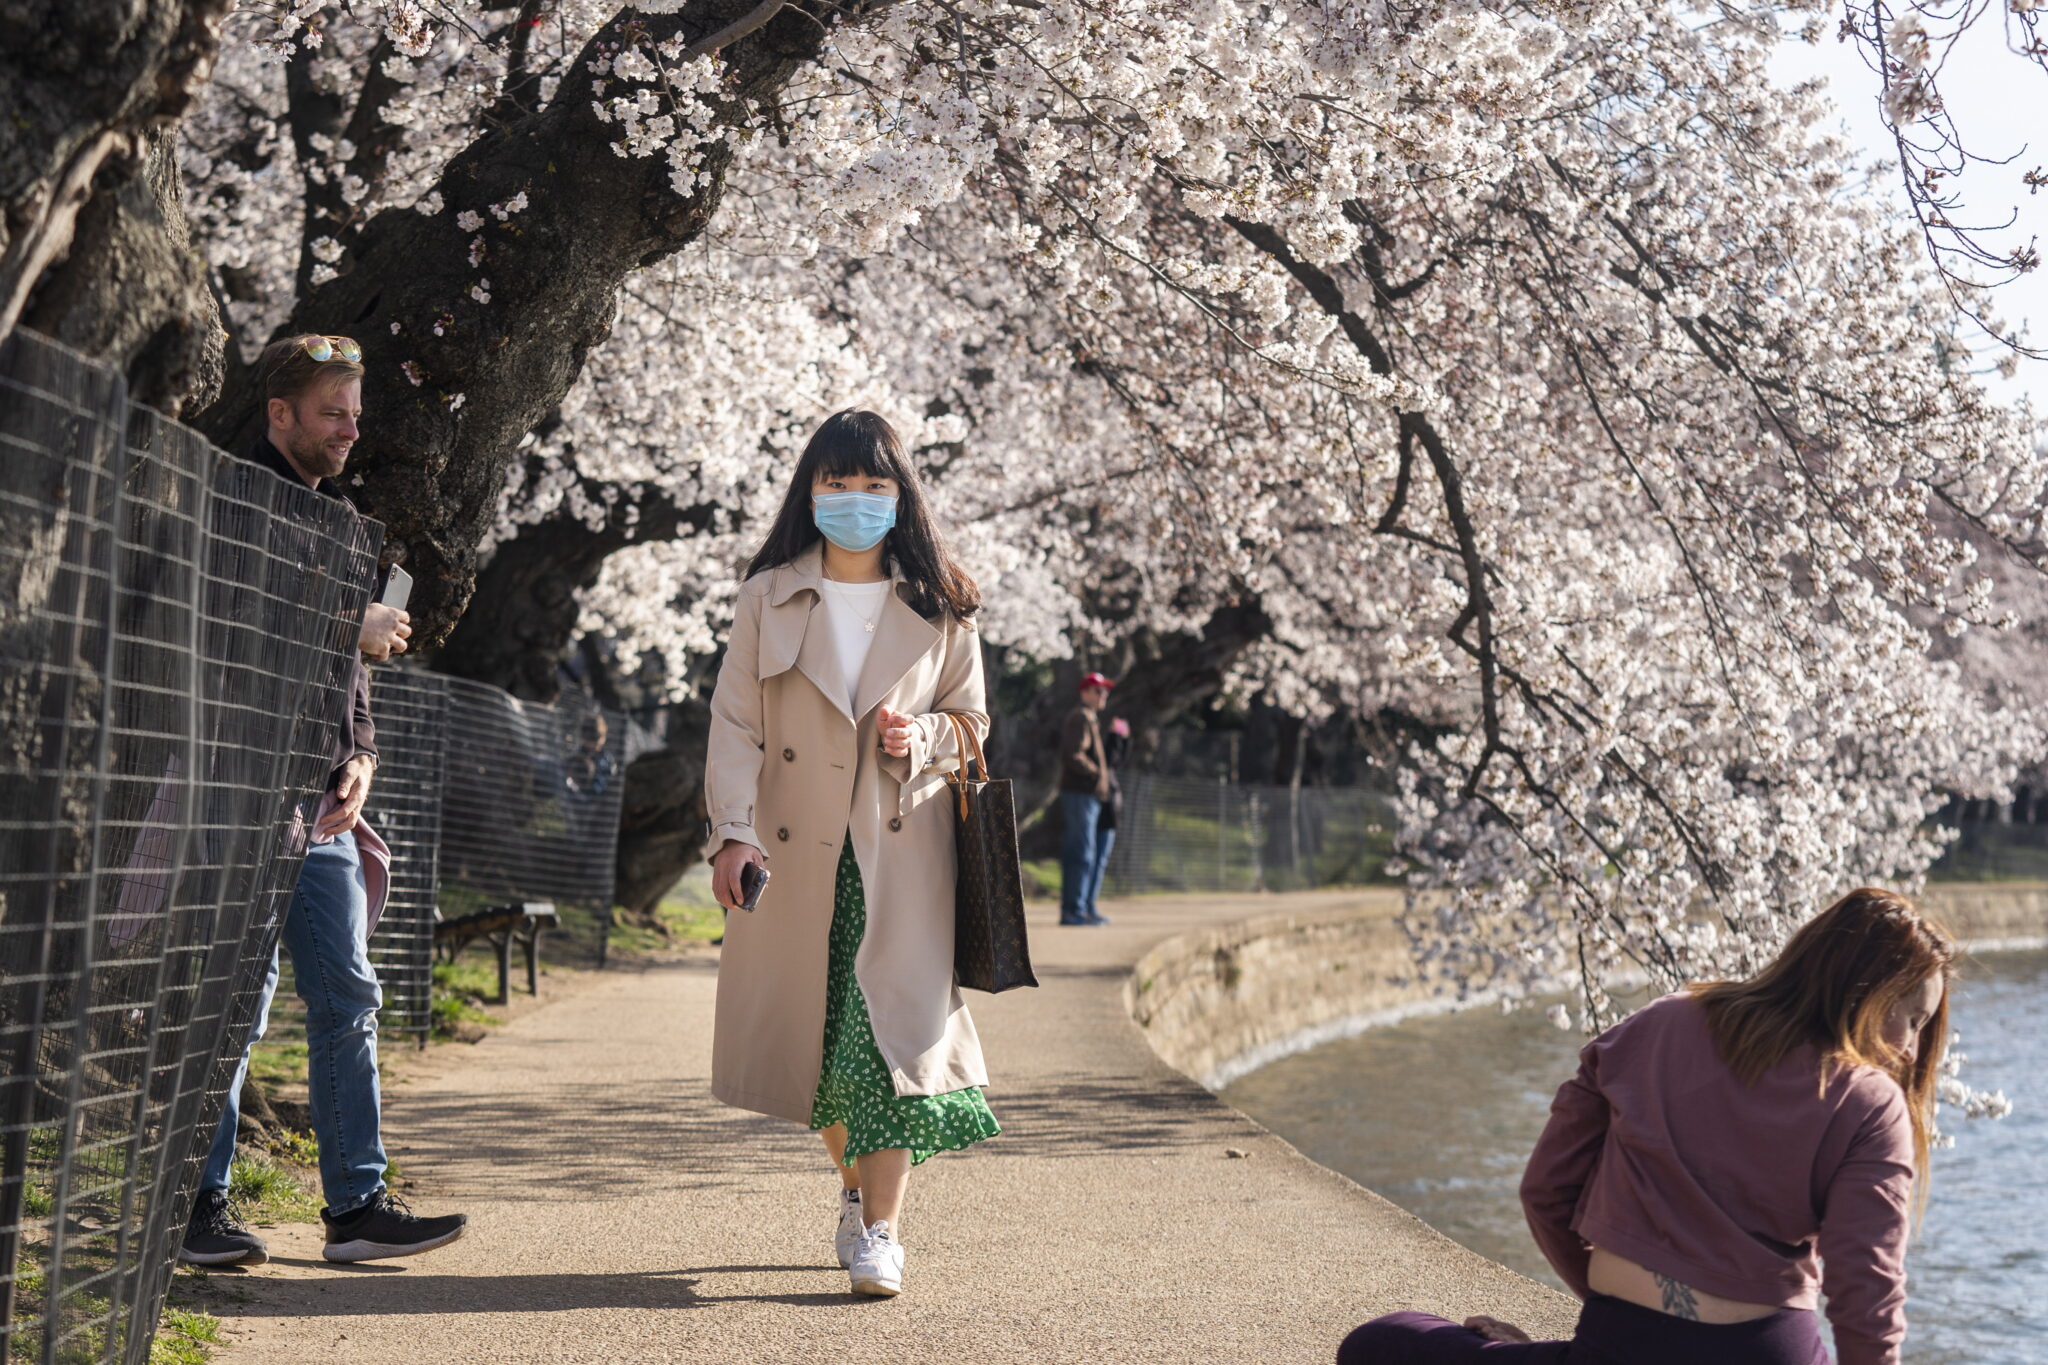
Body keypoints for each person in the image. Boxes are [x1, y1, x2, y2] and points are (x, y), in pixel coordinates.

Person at [1336, 887, 1953, 1365]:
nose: (1913, 1048)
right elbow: (1864, 1295)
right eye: (1912, 1019)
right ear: (1863, 996)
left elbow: (1546, 1190)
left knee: (1382, 1341)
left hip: (1619, 1346)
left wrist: (1616, 1308)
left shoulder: (1661, 1023)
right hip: (1766, 1354)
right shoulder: (1870, 1103)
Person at [179, 335, 468, 1268]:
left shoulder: (344, 523)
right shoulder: (231, 501)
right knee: (234, 1005)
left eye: (355, 415)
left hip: (328, 802)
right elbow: (232, 623)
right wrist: (355, 620)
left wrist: (366, 758)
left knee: (349, 993)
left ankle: (355, 1208)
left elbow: (351, 678)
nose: (350, 430)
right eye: (332, 413)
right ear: (280, 414)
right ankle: (196, 1207)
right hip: (241, 791)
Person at [704, 409, 1000, 1298]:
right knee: (815, 1039)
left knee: (884, 1044)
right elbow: (734, 724)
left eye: (874, 484)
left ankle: (882, 1229)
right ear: (810, 490)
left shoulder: (940, 601)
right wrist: (732, 830)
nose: (855, 500)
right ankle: (850, 1183)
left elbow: (975, 723)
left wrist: (931, 738)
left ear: (901, 495)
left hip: (897, 853)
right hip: (791, 855)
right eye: (836, 483)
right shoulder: (768, 594)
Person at [1056, 672, 1119, 925]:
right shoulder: (1080, 717)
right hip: (1080, 793)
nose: (1103, 695)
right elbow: (1073, 754)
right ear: (1084, 692)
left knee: (1087, 852)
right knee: (1081, 852)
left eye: (1105, 691)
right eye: (1097, 690)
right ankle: (1074, 910)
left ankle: (1081, 907)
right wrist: (1096, 774)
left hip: (1087, 795)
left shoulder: (1090, 718)